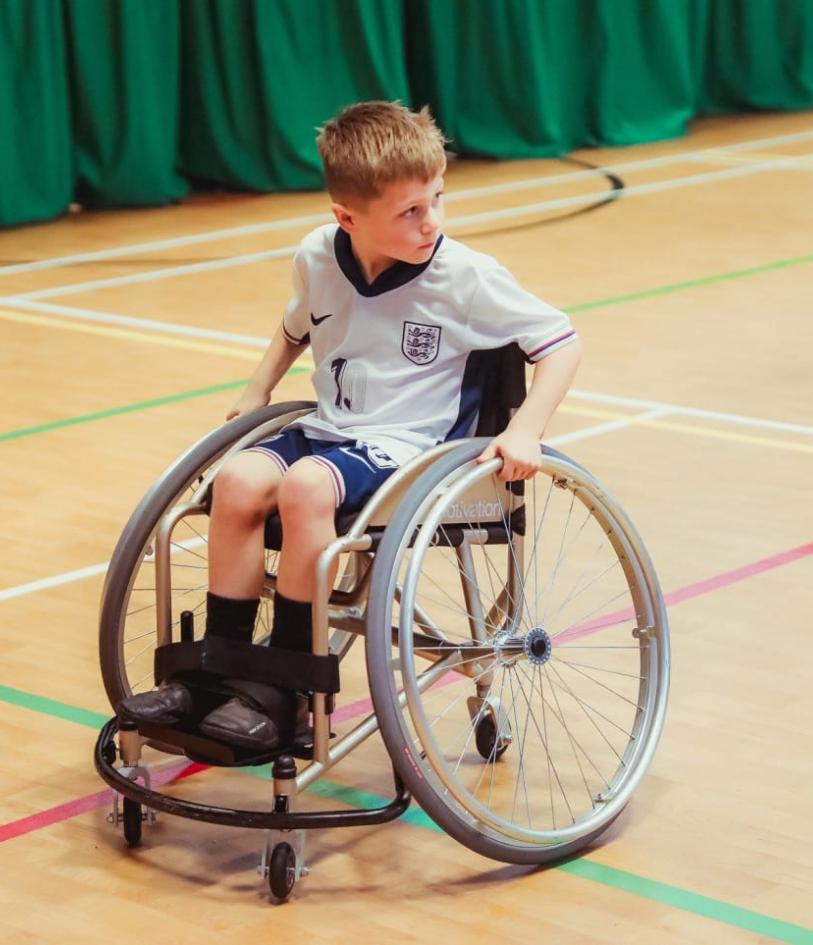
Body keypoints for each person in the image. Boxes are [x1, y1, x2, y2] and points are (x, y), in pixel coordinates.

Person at [118, 101, 582, 751]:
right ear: (345, 217)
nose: (431, 223)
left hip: (410, 447)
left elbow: (560, 343)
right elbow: (293, 326)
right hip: (332, 427)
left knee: (308, 486)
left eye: (437, 201)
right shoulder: (317, 255)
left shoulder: (465, 277)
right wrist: (258, 386)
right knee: (237, 477)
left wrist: (527, 429)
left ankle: (283, 688)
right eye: (409, 212)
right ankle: (216, 676)